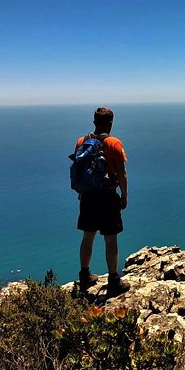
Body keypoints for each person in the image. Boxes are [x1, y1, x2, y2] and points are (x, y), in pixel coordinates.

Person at [74, 107, 130, 297]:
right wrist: (124, 195)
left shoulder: (82, 141)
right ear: (111, 123)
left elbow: (79, 169)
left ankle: (84, 276)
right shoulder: (114, 143)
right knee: (111, 238)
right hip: (107, 196)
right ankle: (114, 280)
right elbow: (121, 173)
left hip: (88, 197)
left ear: (94, 122)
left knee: (88, 236)